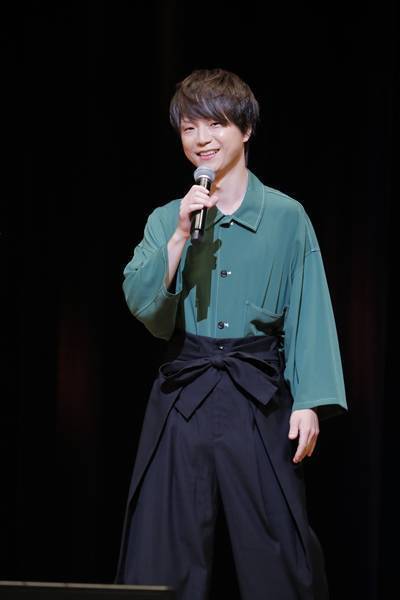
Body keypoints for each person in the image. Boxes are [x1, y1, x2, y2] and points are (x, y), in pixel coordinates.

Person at [115, 68, 347, 600]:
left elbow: (309, 306)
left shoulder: (287, 217)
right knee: (162, 549)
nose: (202, 139)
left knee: (278, 552)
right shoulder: (168, 218)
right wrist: (179, 236)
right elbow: (145, 308)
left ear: (245, 129)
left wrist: (309, 401)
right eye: (189, 128)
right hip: (185, 390)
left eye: (215, 124)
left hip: (257, 390)